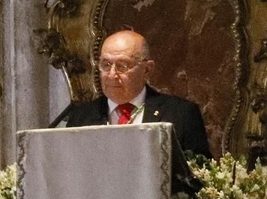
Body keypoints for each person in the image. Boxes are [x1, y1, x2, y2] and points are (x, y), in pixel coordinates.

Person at [50, 29, 213, 159]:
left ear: (147, 69)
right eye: (106, 65)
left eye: (122, 66)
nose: (112, 74)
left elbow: (197, 179)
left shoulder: (180, 114)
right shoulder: (80, 117)